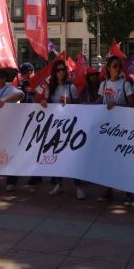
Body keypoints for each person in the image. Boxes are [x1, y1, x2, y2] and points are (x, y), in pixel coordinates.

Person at [38, 59, 85, 200]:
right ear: (54, 72)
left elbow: (79, 105)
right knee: (57, 156)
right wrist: (43, 103)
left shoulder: (71, 88)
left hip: (70, 126)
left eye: (63, 70)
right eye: (58, 70)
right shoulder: (49, 88)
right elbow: (45, 104)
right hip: (54, 127)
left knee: (71, 156)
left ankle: (78, 186)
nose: (61, 72)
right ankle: (59, 184)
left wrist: (70, 103)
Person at [97, 55, 134, 204]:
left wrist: (118, 107)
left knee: (123, 161)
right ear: (108, 68)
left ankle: (129, 193)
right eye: (114, 66)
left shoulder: (125, 84)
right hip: (108, 128)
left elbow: (133, 106)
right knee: (109, 160)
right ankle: (109, 189)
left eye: (119, 66)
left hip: (122, 129)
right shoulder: (104, 84)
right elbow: (98, 102)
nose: (117, 68)